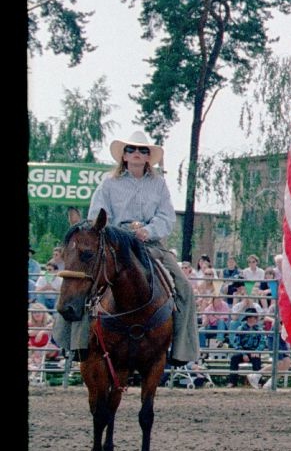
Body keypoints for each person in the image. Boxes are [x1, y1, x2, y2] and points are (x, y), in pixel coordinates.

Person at [74, 131, 198, 365]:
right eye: (131, 149)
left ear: (149, 156)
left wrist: (148, 230)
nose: (137, 153)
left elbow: (167, 216)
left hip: (150, 244)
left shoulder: (159, 184)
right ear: (124, 155)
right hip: (114, 243)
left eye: (143, 150)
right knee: (81, 280)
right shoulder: (109, 183)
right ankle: (77, 343)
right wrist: (120, 232)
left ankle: (181, 350)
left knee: (184, 287)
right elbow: (96, 216)